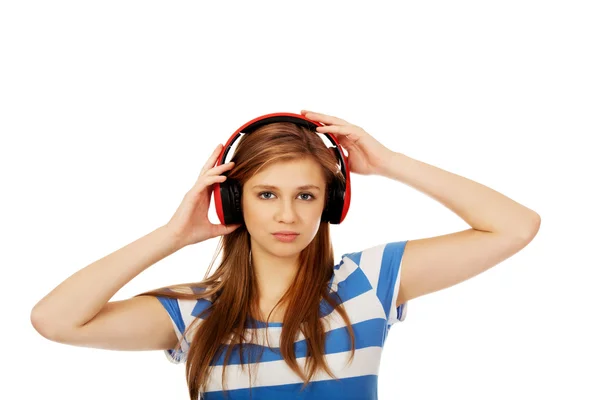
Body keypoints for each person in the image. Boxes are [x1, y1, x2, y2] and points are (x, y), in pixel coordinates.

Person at [30, 110, 541, 399]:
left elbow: (516, 227)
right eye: (266, 194)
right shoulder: (194, 313)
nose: (288, 216)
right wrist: (172, 235)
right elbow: (54, 320)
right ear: (234, 200)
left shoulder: (367, 284)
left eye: (306, 195)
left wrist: (389, 163)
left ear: (331, 203)